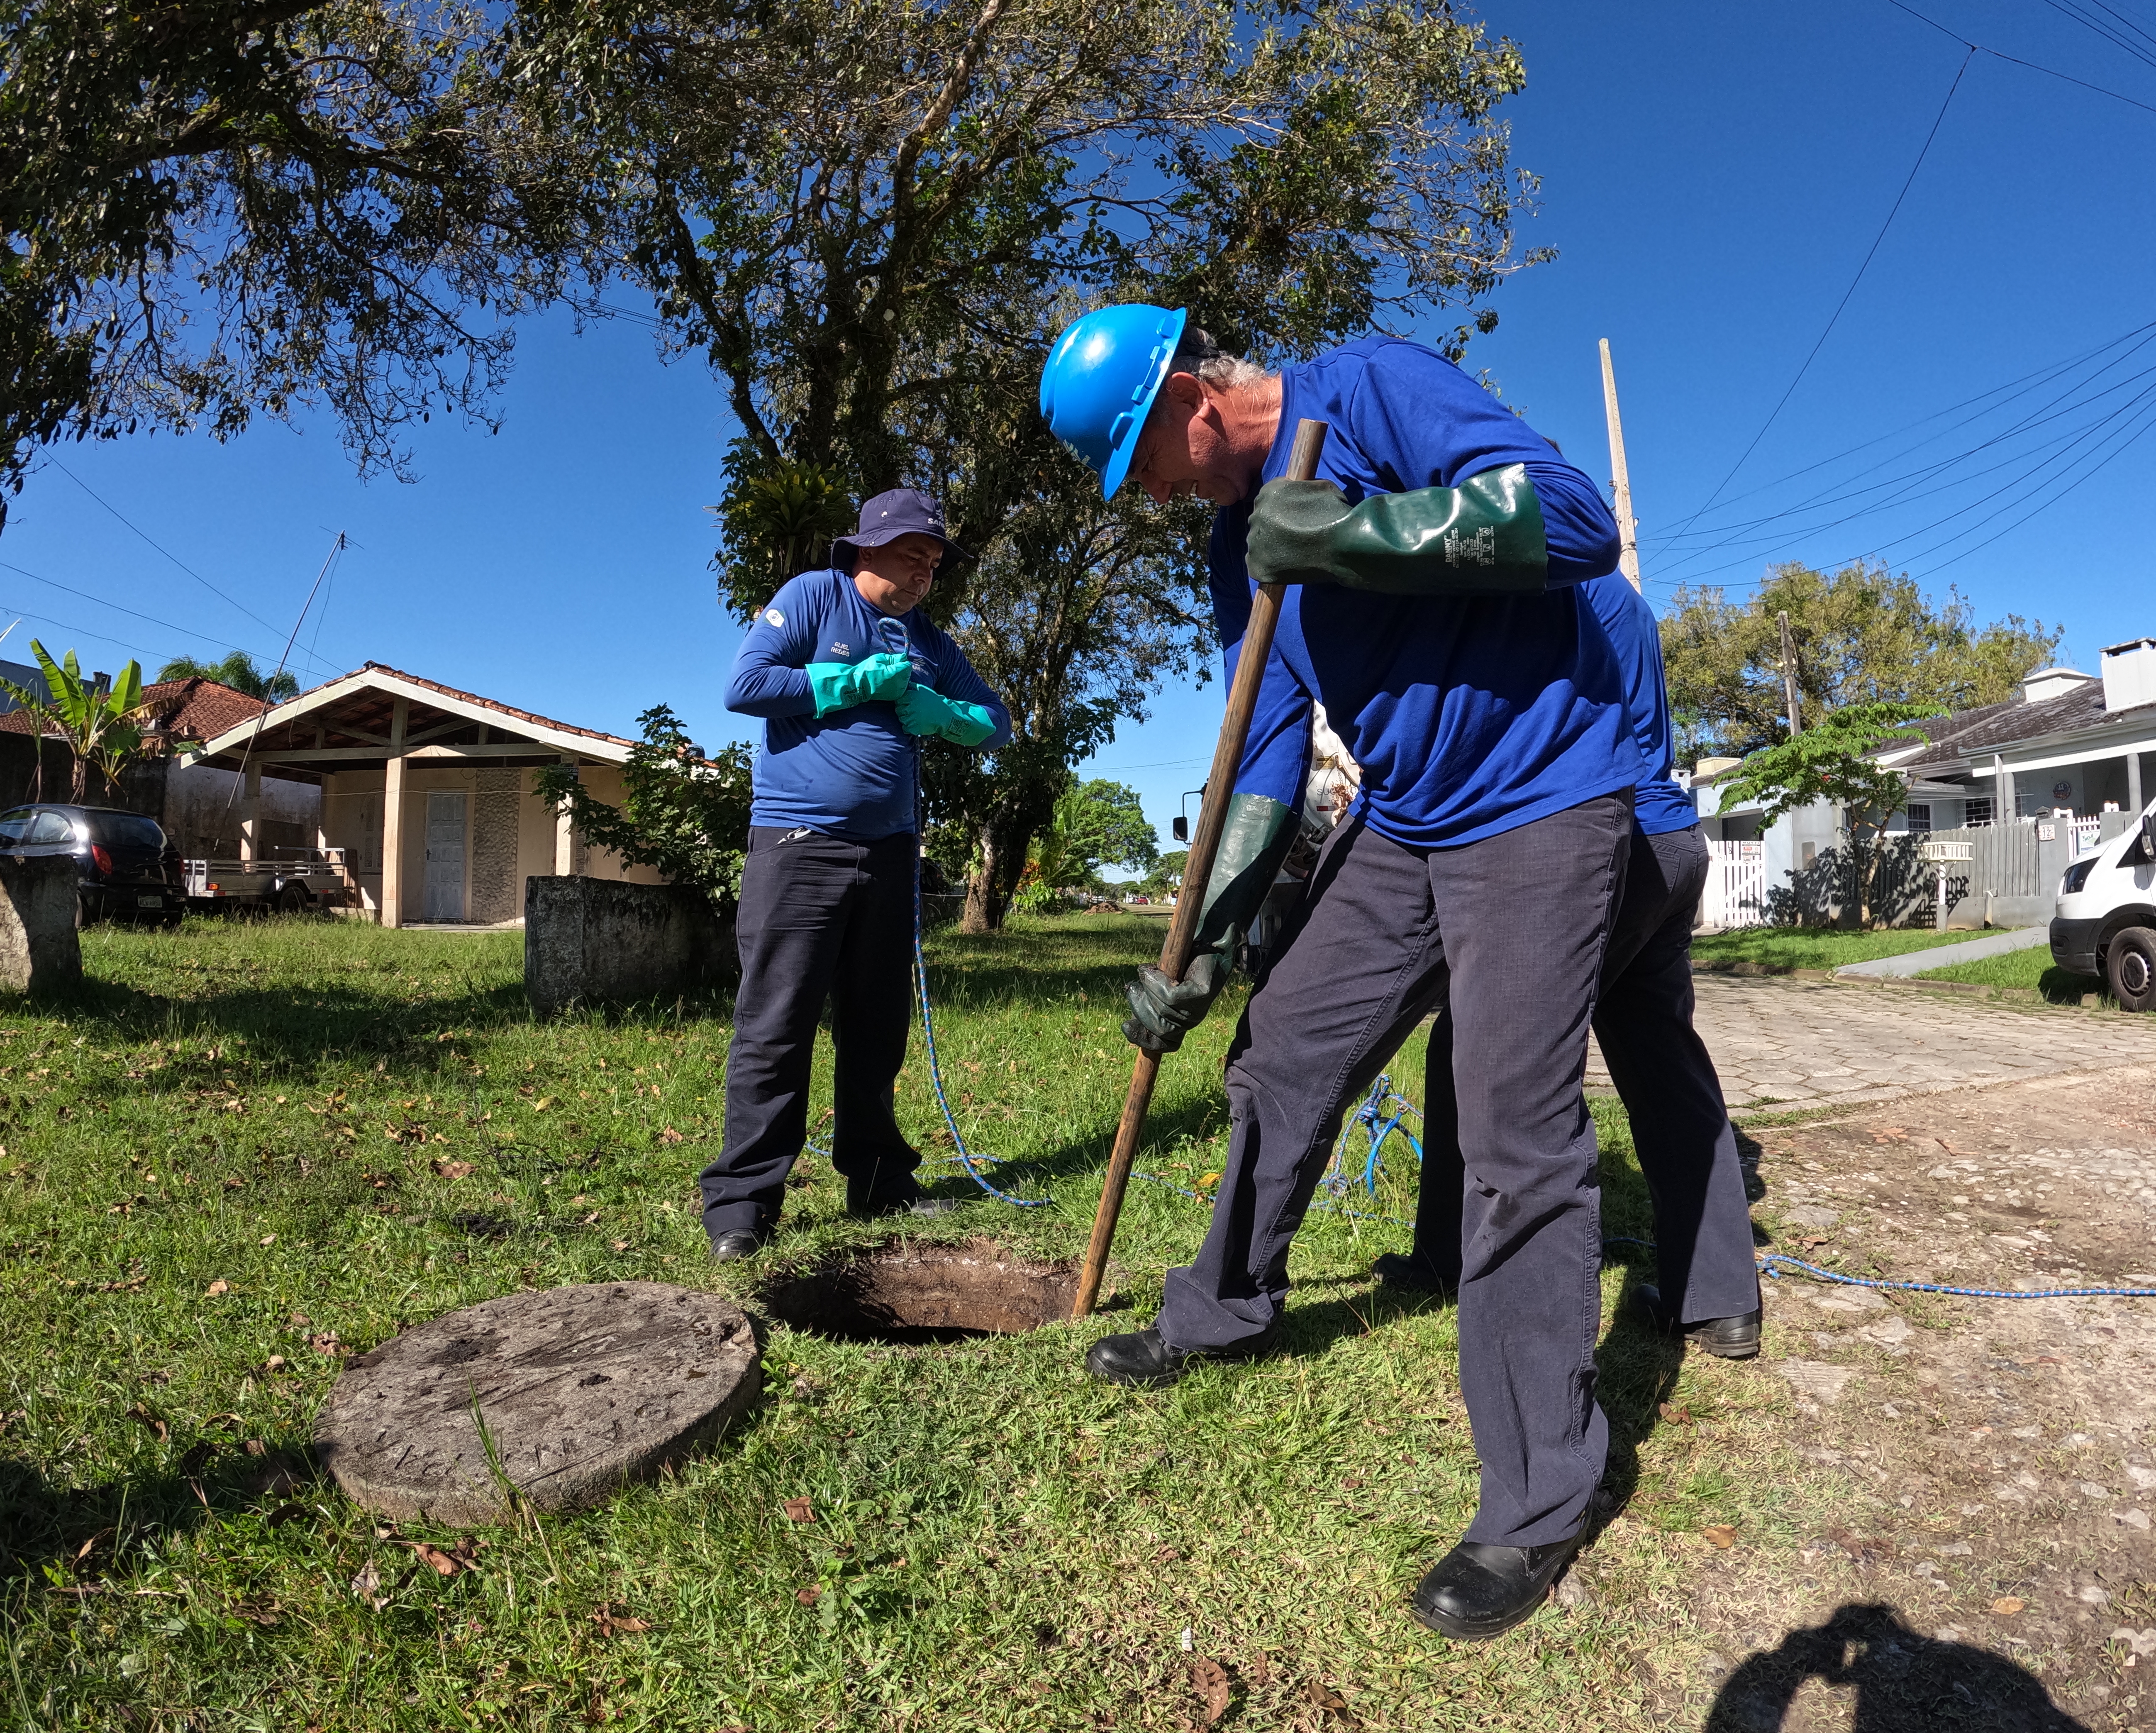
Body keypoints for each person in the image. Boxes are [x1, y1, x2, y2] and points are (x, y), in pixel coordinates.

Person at [1040, 305, 1641, 1642]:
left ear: (1193, 400)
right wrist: (1196, 948)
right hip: (1411, 820)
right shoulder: (1233, 553)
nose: (1156, 492)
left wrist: (1360, 538)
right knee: (1287, 1044)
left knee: (1512, 1129)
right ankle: (1221, 1308)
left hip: (1543, 797)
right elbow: (1261, 757)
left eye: (1147, 461)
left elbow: (1575, 519)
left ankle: (1537, 1503)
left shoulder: (1369, 393)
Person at [1376, 573, 1764, 1360]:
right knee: (1664, 1064)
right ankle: (1720, 1299)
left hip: (1605, 842)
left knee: (1471, 1039)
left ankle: (1447, 1259)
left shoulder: (1540, 577)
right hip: (1672, 839)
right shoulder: (1624, 598)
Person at [698, 488, 1012, 1262]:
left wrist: (942, 713)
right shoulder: (815, 597)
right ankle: (743, 1203)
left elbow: (997, 724)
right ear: (870, 547)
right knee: (777, 1025)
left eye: (936, 564)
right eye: (916, 556)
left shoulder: (930, 640)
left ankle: (878, 1181)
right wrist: (851, 684)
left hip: (891, 854)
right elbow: (745, 686)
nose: (927, 574)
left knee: (877, 1029)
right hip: (798, 845)